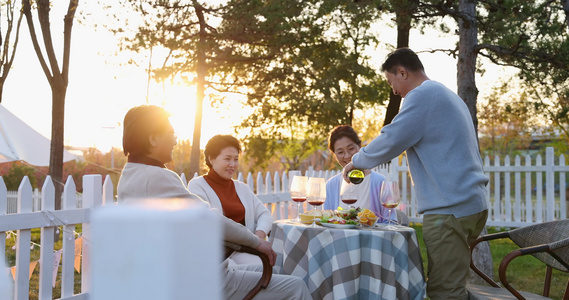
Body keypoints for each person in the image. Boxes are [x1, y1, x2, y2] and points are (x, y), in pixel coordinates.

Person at [117, 105, 310, 300]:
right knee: (296, 286)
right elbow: (209, 219)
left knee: (277, 268)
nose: (175, 140)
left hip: (182, 274)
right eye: (171, 133)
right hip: (202, 279)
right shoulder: (156, 177)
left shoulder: (130, 174)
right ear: (153, 138)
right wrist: (257, 243)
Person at [342, 48, 489, 300]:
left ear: (402, 71)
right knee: (453, 281)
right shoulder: (445, 94)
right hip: (471, 204)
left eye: (391, 82)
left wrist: (356, 161)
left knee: (444, 291)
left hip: (449, 209)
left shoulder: (422, 96)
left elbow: (393, 136)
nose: (394, 91)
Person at [188, 134, 273, 266]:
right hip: (220, 254)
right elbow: (211, 221)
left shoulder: (242, 188)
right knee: (263, 267)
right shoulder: (197, 185)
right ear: (211, 159)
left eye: (235, 159)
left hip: (248, 249)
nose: (232, 165)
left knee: (276, 262)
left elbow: (264, 214)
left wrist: (259, 236)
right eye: (227, 159)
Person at [323, 125, 394, 223]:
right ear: (334, 155)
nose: (347, 156)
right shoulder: (331, 185)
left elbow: (391, 220)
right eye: (340, 152)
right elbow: (326, 221)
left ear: (360, 147)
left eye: (351, 149)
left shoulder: (380, 182)